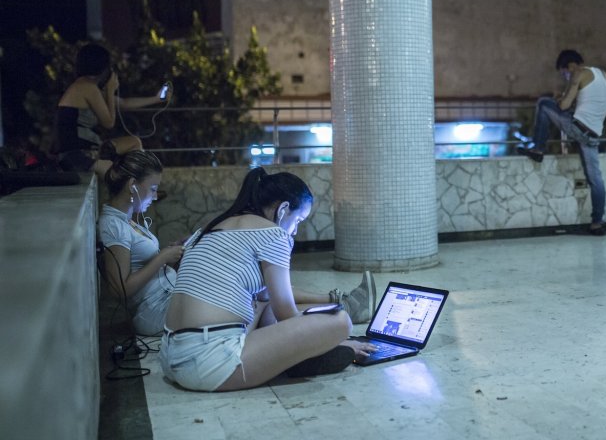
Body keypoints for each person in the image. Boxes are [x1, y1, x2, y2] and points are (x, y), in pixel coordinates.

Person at [161, 168, 377, 391]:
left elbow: (270, 301)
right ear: (283, 209)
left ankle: (289, 358)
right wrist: (333, 340)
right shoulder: (273, 234)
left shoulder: (209, 229)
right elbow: (287, 314)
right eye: (298, 220)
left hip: (172, 355)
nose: (295, 231)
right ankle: (302, 357)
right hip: (210, 361)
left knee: (265, 303)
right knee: (341, 321)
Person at [516, 49, 606, 235]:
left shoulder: (577, 73)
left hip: (578, 128)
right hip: (594, 135)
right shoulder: (602, 73)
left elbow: (565, 105)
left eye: (563, 73)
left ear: (569, 67)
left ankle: (538, 148)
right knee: (596, 180)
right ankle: (597, 223)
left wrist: (560, 98)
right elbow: (591, 101)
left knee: (544, 104)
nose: (565, 77)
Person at [98, 151, 182, 336]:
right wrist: (162, 258)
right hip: (154, 311)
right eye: (152, 188)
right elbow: (120, 289)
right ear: (132, 185)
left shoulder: (126, 220)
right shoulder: (113, 225)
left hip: (166, 299)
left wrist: (169, 256)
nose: (155, 196)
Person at [53, 43, 168, 177]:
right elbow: (108, 123)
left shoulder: (86, 87)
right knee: (119, 177)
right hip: (76, 156)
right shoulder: (87, 87)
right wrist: (110, 89)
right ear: (104, 68)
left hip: (87, 150)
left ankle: (137, 183)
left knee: (134, 142)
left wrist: (157, 99)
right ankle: (135, 185)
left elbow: (123, 103)